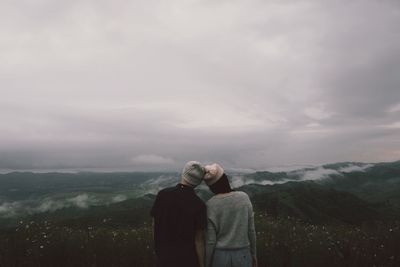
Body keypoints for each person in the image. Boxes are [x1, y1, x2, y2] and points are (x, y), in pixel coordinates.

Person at [150, 161, 207, 267]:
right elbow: (199, 241)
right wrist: (202, 264)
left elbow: (154, 225)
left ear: (183, 174)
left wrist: (157, 248)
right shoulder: (199, 205)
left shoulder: (163, 194)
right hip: (188, 260)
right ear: (198, 182)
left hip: (164, 258)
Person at [204, 163, 257, 267]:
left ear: (211, 187)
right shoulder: (243, 197)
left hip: (219, 257)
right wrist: (254, 254)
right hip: (243, 254)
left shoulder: (210, 205)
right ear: (225, 179)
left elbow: (210, 241)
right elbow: (251, 230)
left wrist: (207, 263)